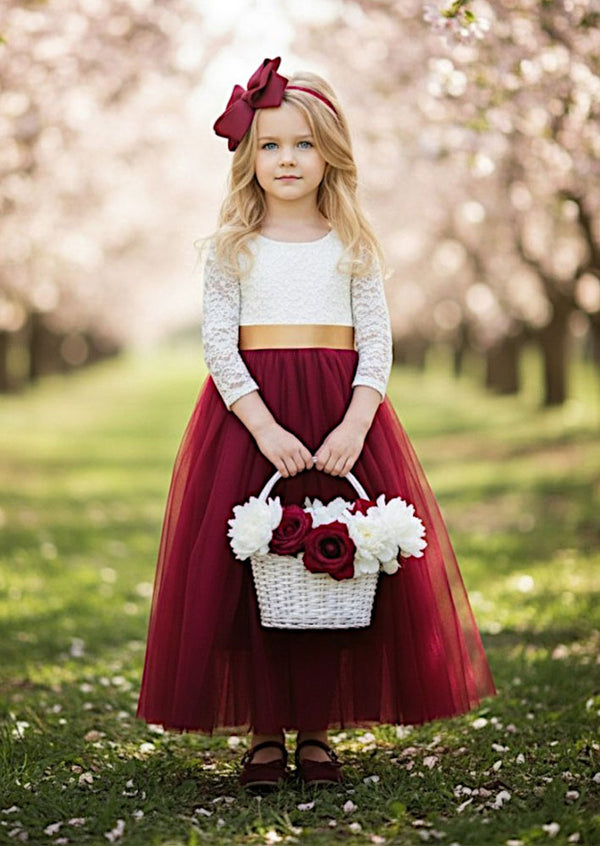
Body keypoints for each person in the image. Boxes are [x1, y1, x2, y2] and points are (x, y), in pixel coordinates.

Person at [136, 56, 496, 790]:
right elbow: (218, 344)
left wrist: (357, 424)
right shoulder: (231, 249)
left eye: (302, 144)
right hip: (250, 420)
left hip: (339, 416)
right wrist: (263, 428)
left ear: (330, 151)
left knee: (335, 563)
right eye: (270, 145)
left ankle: (319, 731)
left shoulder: (352, 244)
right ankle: (266, 732)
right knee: (252, 569)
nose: (287, 159)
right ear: (248, 157)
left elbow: (377, 342)